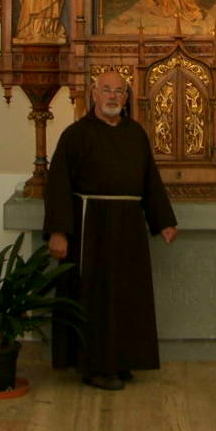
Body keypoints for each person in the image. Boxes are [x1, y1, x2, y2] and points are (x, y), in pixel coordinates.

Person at [43, 70, 178, 391]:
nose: (113, 96)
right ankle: (95, 367)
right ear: (94, 94)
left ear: (126, 98)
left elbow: (150, 179)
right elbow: (58, 185)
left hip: (129, 227)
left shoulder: (135, 134)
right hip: (90, 229)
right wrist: (59, 231)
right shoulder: (76, 135)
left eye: (119, 91)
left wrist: (163, 220)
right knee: (96, 298)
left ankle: (122, 360)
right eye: (106, 90)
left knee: (127, 296)